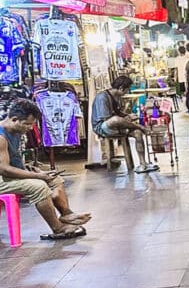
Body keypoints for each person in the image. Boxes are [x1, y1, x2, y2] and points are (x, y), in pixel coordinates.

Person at [0, 99, 92, 240]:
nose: (30, 128)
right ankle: (58, 228)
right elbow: (4, 169)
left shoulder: (15, 130)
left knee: (56, 179)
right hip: (2, 178)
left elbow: (14, 160)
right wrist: (38, 177)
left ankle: (66, 214)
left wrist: (34, 170)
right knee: (39, 186)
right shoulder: (1, 137)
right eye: (27, 124)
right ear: (14, 119)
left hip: (8, 175)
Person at [91, 75, 158, 173]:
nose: (127, 92)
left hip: (115, 125)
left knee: (137, 133)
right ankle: (140, 126)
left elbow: (118, 113)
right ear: (121, 88)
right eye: (127, 90)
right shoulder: (102, 97)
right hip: (102, 127)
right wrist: (126, 119)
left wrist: (128, 116)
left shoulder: (116, 97)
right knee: (116, 120)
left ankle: (143, 164)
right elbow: (108, 118)